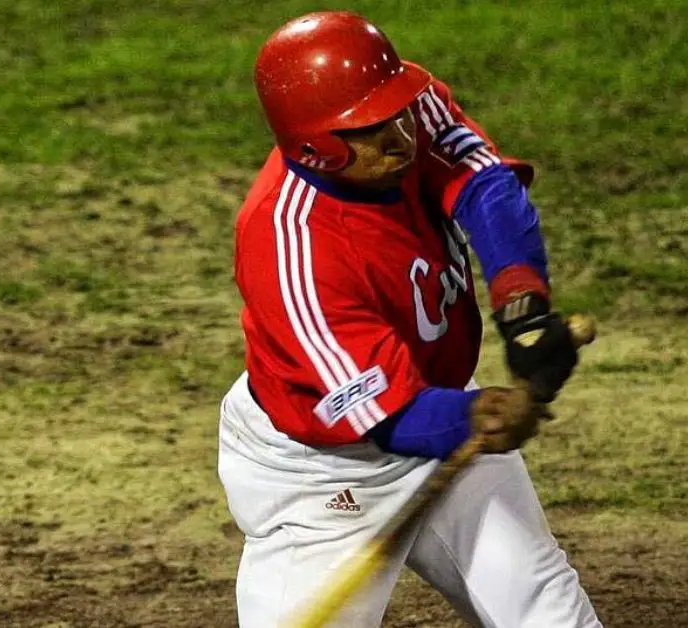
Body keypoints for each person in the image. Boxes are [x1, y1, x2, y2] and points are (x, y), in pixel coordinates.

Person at [217, 10, 601, 627]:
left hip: (442, 404)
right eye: (370, 130)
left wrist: (521, 303)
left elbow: (486, 186)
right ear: (315, 147)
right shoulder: (291, 248)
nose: (400, 136)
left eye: (397, 111)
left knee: (546, 611)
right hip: (325, 475)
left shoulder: (402, 112)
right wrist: (475, 416)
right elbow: (390, 417)